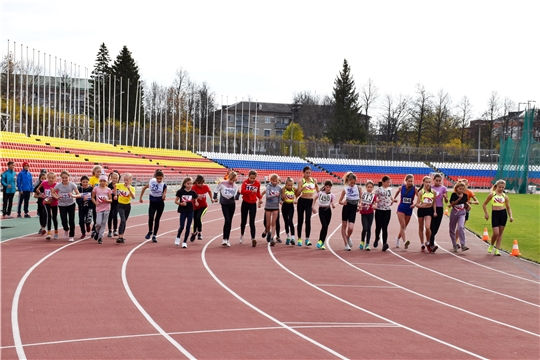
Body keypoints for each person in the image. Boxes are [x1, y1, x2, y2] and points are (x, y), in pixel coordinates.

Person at [483, 179, 514, 256]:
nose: (501, 189)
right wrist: (486, 213)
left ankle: (497, 249)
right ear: (496, 186)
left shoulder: (505, 196)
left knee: (500, 233)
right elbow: (484, 204)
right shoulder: (492, 194)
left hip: (503, 214)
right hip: (495, 214)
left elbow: (508, 207)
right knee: (496, 233)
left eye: (503, 187)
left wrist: (511, 216)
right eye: (500, 187)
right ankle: (491, 245)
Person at [139, 169, 167, 243]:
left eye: (160, 178)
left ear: (163, 178)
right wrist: (140, 197)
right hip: (152, 203)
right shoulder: (152, 182)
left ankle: (154, 235)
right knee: (151, 217)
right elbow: (144, 188)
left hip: (160, 204)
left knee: (157, 219)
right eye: (157, 178)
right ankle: (150, 231)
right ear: (155, 177)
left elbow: (164, 193)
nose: (159, 180)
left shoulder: (164, 185)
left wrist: (164, 196)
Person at [53, 170, 81, 242]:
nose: (64, 179)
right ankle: (66, 229)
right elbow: (52, 192)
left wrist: (73, 195)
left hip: (71, 204)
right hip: (62, 205)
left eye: (66, 177)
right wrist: (57, 197)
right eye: (63, 178)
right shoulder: (58, 185)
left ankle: (71, 235)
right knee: (64, 220)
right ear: (61, 178)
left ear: (69, 177)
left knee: (71, 220)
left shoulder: (72, 185)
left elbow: (79, 194)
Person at [213, 171, 239, 247]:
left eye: (234, 180)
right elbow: (215, 190)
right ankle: (224, 239)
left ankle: (227, 239)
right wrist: (215, 197)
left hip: (232, 204)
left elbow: (236, 197)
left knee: (229, 221)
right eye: (231, 180)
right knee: (227, 220)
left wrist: (238, 194)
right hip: (224, 204)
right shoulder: (222, 183)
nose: (232, 182)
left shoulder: (235, 186)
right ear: (229, 177)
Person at [338, 172, 362, 251]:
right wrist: (343, 202)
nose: (352, 184)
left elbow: (360, 199)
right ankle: (346, 244)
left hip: (353, 209)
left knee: (351, 228)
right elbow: (339, 201)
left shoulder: (358, 188)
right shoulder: (345, 189)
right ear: (348, 181)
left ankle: (348, 237)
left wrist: (359, 205)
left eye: (354, 183)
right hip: (346, 208)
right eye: (351, 183)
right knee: (344, 226)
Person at [296, 166, 319, 246]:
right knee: (300, 220)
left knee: (308, 220)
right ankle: (299, 238)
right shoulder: (301, 181)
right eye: (307, 173)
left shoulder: (314, 180)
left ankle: (307, 239)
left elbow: (318, 190)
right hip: (302, 201)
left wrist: (320, 194)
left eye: (309, 173)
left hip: (309, 201)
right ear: (304, 173)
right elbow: (297, 194)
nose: (308, 174)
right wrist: (301, 189)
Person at [239, 170, 263, 245]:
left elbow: (258, 193)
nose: (252, 180)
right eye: (251, 178)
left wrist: (260, 199)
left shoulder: (257, 183)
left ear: (256, 177)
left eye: (254, 178)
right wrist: (251, 191)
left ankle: (253, 238)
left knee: (252, 222)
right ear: (248, 176)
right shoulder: (245, 182)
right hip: (245, 203)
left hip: (253, 204)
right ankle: (242, 235)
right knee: (243, 221)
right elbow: (242, 191)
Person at [394, 174, 417, 250]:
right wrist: (394, 199)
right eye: (409, 181)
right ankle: (405, 242)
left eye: (411, 181)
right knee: (402, 225)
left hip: (409, 209)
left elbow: (419, 197)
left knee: (404, 227)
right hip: (401, 208)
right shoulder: (401, 187)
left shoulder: (414, 189)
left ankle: (397, 238)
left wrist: (415, 204)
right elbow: (397, 192)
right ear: (405, 181)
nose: (410, 183)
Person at [174, 177, 199, 248]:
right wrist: (181, 204)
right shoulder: (180, 192)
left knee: (188, 227)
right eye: (188, 184)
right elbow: (175, 201)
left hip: (190, 211)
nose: (189, 185)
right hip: (183, 211)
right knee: (182, 226)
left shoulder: (193, 192)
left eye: (191, 184)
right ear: (184, 184)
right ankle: (178, 237)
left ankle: (184, 242)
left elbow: (195, 198)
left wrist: (196, 202)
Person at [374, 175, 397, 251]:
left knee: (385, 227)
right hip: (379, 209)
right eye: (387, 182)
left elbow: (390, 197)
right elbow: (375, 197)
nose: (389, 184)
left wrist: (393, 200)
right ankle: (377, 238)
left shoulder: (390, 189)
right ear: (383, 182)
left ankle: (384, 243)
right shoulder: (379, 189)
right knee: (378, 227)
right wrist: (376, 201)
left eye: (389, 182)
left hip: (387, 210)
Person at [415, 176, 437, 253]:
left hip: (429, 211)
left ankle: (427, 242)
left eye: (429, 182)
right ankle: (422, 244)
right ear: (423, 182)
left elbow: (434, 202)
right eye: (426, 182)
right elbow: (417, 204)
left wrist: (435, 211)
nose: (428, 184)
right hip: (421, 210)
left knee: (428, 227)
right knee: (421, 227)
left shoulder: (433, 192)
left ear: (431, 183)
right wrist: (421, 205)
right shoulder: (421, 192)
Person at [190, 175, 215, 242]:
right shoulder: (194, 187)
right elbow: (191, 197)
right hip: (195, 207)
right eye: (199, 183)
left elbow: (209, 191)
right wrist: (196, 198)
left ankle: (200, 232)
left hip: (203, 206)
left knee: (199, 217)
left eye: (202, 183)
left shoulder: (205, 186)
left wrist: (211, 198)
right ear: (196, 182)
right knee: (195, 220)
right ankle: (194, 233)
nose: (200, 185)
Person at [312, 180, 336, 250]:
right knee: (324, 225)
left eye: (330, 187)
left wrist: (333, 204)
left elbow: (331, 201)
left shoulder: (331, 195)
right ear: (325, 186)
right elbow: (314, 198)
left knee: (325, 227)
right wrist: (313, 206)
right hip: (321, 210)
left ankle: (321, 242)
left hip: (328, 211)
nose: (328, 188)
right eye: (327, 187)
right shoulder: (320, 193)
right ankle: (320, 241)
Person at [36, 172, 59, 240]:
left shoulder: (56, 185)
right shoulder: (44, 183)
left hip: (54, 202)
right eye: (49, 178)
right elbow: (37, 189)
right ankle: (49, 233)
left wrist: (53, 195)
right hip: (46, 202)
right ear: (47, 178)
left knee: (54, 217)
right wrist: (41, 194)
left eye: (52, 178)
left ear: (55, 179)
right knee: (48, 215)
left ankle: (56, 232)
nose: (50, 179)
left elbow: (57, 195)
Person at [448, 181, 470, 252]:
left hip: (462, 213)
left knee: (461, 227)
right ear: (456, 188)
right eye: (460, 189)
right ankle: (454, 244)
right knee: (452, 229)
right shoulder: (453, 195)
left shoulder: (465, 195)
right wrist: (459, 199)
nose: (461, 190)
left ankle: (463, 244)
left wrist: (468, 206)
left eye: (463, 189)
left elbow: (465, 203)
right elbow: (453, 204)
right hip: (454, 213)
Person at [458, 178, 479, 248]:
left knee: (461, 227)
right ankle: (456, 242)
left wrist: (471, 202)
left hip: (465, 211)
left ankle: (459, 243)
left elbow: (477, 201)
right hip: (458, 210)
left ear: (467, 185)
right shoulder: (457, 191)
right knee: (459, 227)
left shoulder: (469, 192)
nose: (464, 186)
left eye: (465, 185)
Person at [115, 173, 136, 244]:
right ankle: (119, 236)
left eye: (127, 180)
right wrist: (115, 194)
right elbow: (115, 186)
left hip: (127, 206)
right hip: (120, 205)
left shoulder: (132, 188)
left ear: (130, 180)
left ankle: (122, 236)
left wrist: (129, 190)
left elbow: (133, 197)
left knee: (124, 221)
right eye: (124, 180)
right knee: (123, 220)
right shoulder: (120, 185)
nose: (125, 181)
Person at [91, 175, 112, 244]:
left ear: (106, 182)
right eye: (101, 181)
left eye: (104, 181)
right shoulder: (96, 189)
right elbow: (92, 197)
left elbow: (111, 200)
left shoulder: (108, 190)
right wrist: (95, 202)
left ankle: (100, 237)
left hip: (106, 208)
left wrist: (107, 200)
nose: (103, 182)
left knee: (103, 223)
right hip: (99, 208)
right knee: (98, 223)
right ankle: (97, 231)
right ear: (99, 181)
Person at [261, 174, 281, 246]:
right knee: (268, 223)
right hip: (268, 207)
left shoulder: (279, 188)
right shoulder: (268, 187)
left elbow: (279, 197)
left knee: (274, 223)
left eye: (276, 181)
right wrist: (274, 195)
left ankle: (272, 237)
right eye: (273, 181)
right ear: (271, 180)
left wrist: (280, 201)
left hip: (276, 207)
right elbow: (267, 196)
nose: (275, 182)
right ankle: (268, 232)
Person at [430, 173, 448, 248]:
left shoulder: (443, 188)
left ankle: (429, 238)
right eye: (436, 180)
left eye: (439, 181)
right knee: (432, 226)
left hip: (439, 208)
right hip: (430, 207)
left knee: (437, 227)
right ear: (433, 180)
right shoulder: (430, 187)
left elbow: (447, 201)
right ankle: (431, 243)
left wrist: (445, 197)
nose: (438, 182)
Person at [359, 180, 377, 251]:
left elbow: (375, 204)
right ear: (366, 187)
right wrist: (360, 205)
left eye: (371, 187)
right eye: (368, 187)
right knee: (365, 228)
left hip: (370, 213)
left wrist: (374, 206)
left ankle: (367, 244)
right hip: (363, 213)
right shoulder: (363, 194)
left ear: (373, 188)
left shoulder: (374, 196)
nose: (369, 188)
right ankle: (362, 241)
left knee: (369, 228)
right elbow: (360, 200)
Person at [76, 175, 94, 239]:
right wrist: (82, 200)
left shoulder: (91, 189)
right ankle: (83, 233)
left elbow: (93, 197)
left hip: (89, 207)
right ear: (81, 182)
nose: (85, 183)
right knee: (81, 221)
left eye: (86, 182)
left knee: (88, 220)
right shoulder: (79, 189)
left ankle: (88, 224)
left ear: (88, 182)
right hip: (81, 208)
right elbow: (77, 200)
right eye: (83, 182)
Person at [281, 177, 297, 245]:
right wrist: (284, 196)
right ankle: (288, 237)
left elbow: (298, 193)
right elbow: (282, 198)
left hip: (291, 206)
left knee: (290, 221)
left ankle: (293, 238)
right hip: (285, 206)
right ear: (286, 185)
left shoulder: (294, 189)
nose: (290, 186)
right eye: (288, 185)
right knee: (286, 222)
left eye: (291, 185)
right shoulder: (283, 189)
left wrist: (296, 199)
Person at [88, 165, 103, 238]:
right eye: (97, 172)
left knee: (99, 216)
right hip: (94, 199)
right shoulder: (92, 179)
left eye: (100, 172)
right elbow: (90, 186)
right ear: (94, 172)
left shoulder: (102, 179)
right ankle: (94, 229)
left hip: (101, 200)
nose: (99, 173)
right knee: (95, 215)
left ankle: (95, 229)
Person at [107, 171, 120, 237]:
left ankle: (115, 229)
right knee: (110, 216)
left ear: (118, 179)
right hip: (110, 203)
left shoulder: (119, 186)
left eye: (116, 178)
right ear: (111, 178)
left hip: (117, 203)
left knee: (115, 215)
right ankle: (109, 230)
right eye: (114, 178)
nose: (115, 180)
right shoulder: (108, 186)